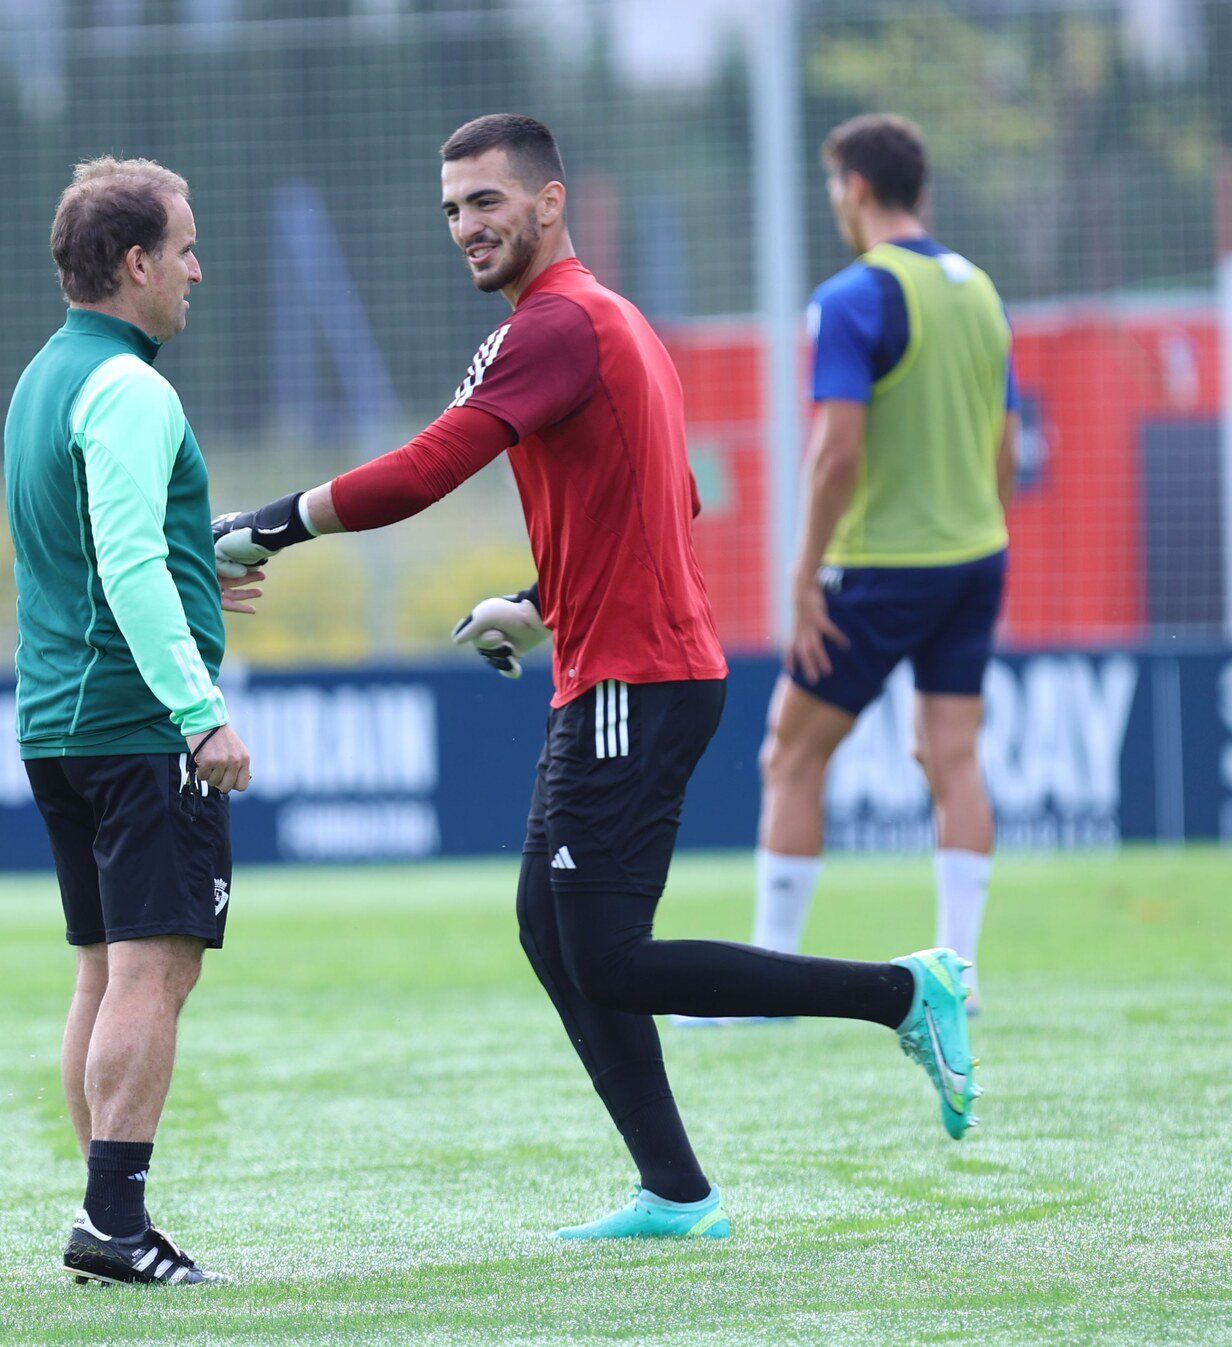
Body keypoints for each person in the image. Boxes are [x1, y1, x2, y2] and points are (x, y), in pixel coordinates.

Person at [213, 114, 980, 1242]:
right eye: (450, 210)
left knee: (607, 954)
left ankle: (904, 993)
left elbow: (427, 471)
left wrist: (263, 529)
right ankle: (675, 1192)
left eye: (485, 202)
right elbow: (667, 501)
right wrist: (532, 609)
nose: (465, 227)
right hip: (621, 667)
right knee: (551, 929)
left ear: (548, 201)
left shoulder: (555, 323)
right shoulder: (604, 319)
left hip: (635, 677)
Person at [4, 158, 260, 1285]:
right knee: (153, 973)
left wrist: (191, 570)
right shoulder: (132, 388)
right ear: (134, 263)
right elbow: (120, 559)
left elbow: (86, 546)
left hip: (57, 723)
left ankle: (103, 1208)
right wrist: (198, 712)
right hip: (131, 727)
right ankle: (113, 1221)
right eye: (185, 247)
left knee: (104, 976)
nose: (198, 269)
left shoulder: (42, 379)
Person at [740, 114, 1017, 1012]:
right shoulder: (978, 288)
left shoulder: (854, 295)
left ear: (855, 187)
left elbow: (837, 454)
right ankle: (961, 977)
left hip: (880, 566)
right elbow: (1006, 442)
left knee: (790, 753)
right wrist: (980, 531)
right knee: (953, 756)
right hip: (976, 556)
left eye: (833, 187)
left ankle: (768, 979)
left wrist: (803, 572)